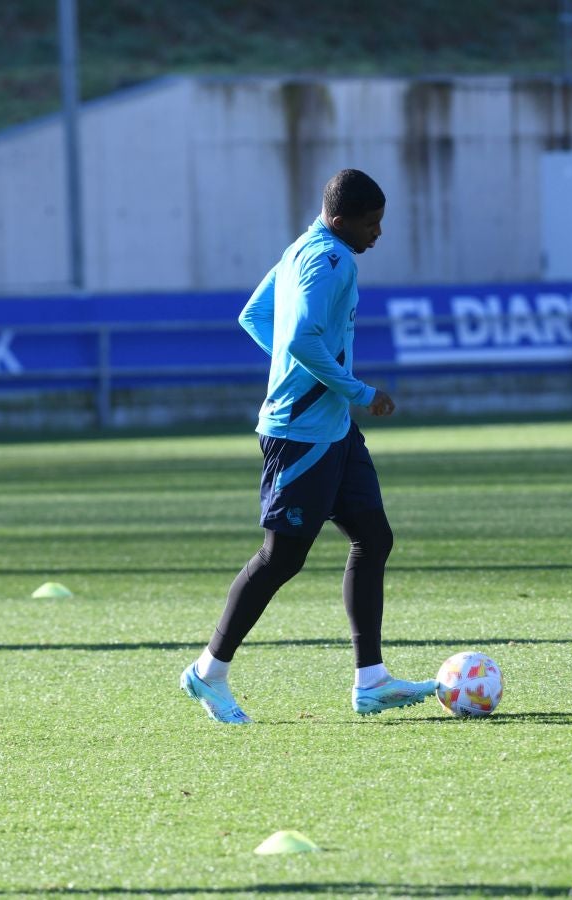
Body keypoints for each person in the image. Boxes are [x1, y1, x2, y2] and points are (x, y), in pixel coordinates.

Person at [180, 169, 436, 725]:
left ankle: (371, 680)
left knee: (373, 537)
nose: (378, 233)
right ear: (342, 222)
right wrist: (357, 390)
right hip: (301, 433)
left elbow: (254, 315)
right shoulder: (330, 261)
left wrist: (305, 378)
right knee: (281, 558)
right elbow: (298, 338)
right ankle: (207, 672)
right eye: (371, 224)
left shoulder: (302, 247)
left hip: (333, 428)